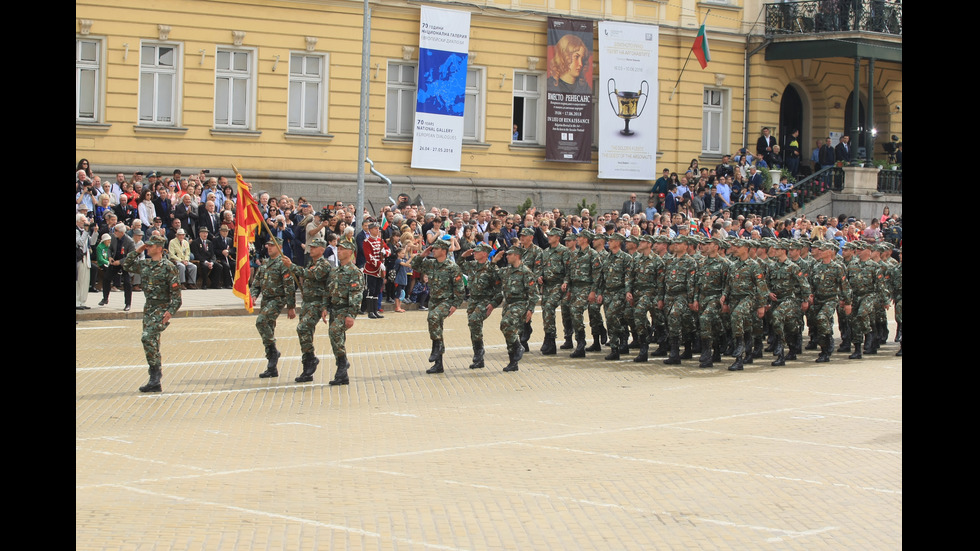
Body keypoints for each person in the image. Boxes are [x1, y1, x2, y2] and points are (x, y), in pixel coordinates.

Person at [123, 235, 182, 393]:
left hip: (161, 309)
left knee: (147, 337)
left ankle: (156, 375)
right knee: (152, 342)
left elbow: (177, 296)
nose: (147, 248)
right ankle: (154, 379)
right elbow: (126, 265)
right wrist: (138, 250)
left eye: (150, 246)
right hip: (149, 308)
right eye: (147, 246)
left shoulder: (168, 267)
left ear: (159, 248)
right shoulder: (146, 264)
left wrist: (170, 312)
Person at [281, 237, 332, 383]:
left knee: (302, 329)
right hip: (307, 302)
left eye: (314, 247)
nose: (311, 249)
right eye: (311, 246)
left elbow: (312, 275)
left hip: (316, 303)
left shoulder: (324, 265)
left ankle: (311, 359)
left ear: (322, 250)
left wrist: (292, 266)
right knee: (305, 333)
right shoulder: (311, 263)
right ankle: (307, 366)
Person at [411, 239, 466, 374]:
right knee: (437, 328)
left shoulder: (452, 267)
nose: (433, 250)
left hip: (446, 301)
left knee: (433, 317)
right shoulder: (430, 264)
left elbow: (459, 288)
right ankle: (438, 364)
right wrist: (422, 255)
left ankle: (436, 348)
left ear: (443, 250)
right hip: (434, 301)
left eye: (436, 248)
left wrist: (455, 305)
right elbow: (414, 265)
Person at [251, 239, 297, 378]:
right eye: (268, 245)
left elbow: (289, 286)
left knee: (261, 322)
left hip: (277, 299)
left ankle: (273, 352)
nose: (269, 248)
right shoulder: (265, 265)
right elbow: (256, 283)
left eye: (272, 245)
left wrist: (291, 306)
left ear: (279, 247)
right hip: (266, 300)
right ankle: (272, 364)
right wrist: (253, 295)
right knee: (268, 329)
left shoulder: (283, 263)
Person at [721, 238, 769, 371]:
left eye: (738, 246)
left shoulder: (754, 266)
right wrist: (724, 297)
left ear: (746, 248)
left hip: (749, 298)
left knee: (736, 317)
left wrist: (761, 305)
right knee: (746, 326)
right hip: (734, 299)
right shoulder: (733, 265)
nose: (735, 249)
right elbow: (728, 285)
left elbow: (762, 288)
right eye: (734, 246)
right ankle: (748, 353)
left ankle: (739, 354)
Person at [458, 243, 504, 369]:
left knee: (474, 320)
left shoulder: (492, 268)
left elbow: (499, 290)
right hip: (473, 300)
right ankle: (478, 356)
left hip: (485, 300)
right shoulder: (472, 265)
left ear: (484, 254)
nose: (474, 253)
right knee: (473, 326)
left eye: (477, 252)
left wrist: (493, 304)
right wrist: (463, 256)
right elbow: (458, 265)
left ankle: (479, 353)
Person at [499, 245, 539, 372]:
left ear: (516, 256)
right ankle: (513, 362)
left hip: (520, 304)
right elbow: (491, 272)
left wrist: (531, 309)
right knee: (509, 330)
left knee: (506, 324)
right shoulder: (507, 271)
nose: (507, 256)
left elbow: (533, 293)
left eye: (509, 254)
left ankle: (518, 346)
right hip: (508, 304)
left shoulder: (526, 272)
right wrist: (494, 261)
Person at [537, 228, 571, 354]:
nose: (549, 237)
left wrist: (566, 282)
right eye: (549, 236)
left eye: (551, 236)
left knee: (550, 306)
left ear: (558, 237)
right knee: (545, 309)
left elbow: (569, 269)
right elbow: (540, 267)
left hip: (558, 284)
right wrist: (539, 276)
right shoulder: (545, 252)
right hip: (547, 286)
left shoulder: (564, 251)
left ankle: (551, 340)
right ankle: (548, 338)